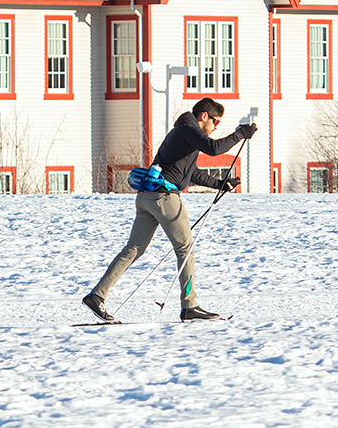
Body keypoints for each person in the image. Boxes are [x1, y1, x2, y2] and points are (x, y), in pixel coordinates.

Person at [84, 97, 255, 322]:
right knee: (185, 249)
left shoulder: (183, 134)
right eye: (215, 122)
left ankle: (97, 296)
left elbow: (191, 174)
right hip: (165, 197)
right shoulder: (188, 129)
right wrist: (240, 134)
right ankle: (190, 306)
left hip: (147, 197)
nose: (215, 128)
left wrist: (222, 183)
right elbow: (214, 149)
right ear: (204, 116)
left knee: (133, 249)